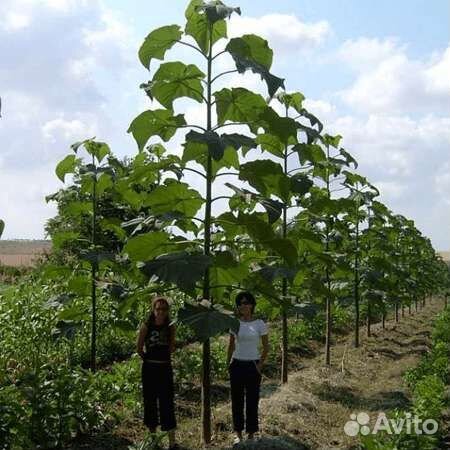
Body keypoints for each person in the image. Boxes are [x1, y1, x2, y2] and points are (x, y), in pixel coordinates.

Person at [137, 296, 179, 450]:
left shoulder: (170, 326)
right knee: (150, 402)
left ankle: (172, 442)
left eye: (164, 309)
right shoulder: (146, 326)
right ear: (153, 310)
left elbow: (172, 346)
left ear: (167, 311)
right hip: (150, 369)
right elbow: (139, 348)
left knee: (167, 403)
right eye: (158, 309)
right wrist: (149, 359)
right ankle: (154, 440)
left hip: (165, 368)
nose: (160, 312)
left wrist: (163, 357)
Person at [227, 291, 269, 445]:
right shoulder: (235, 322)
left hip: (253, 365)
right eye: (240, 303)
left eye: (246, 302)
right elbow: (231, 345)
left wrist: (259, 365)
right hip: (237, 364)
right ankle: (238, 433)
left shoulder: (259, 324)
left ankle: (251, 433)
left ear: (252, 305)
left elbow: (266, 347)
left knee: (252, 400)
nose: (243, 305)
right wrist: (228, 363)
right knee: (236, 400)